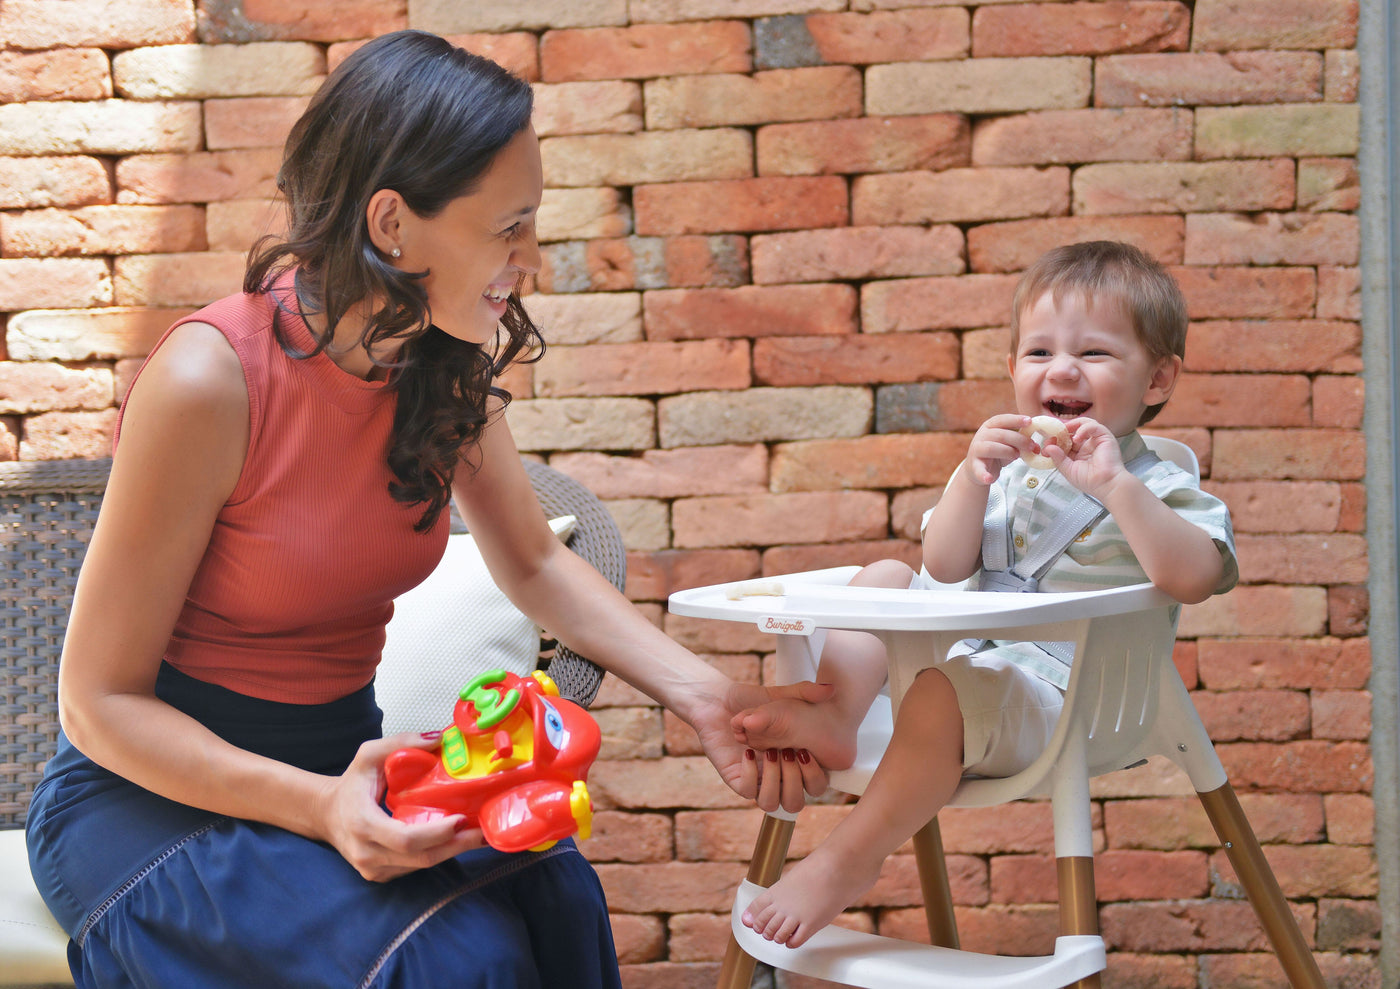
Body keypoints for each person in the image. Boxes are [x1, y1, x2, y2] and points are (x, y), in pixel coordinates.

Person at [24, 30, 826, 988]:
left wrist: (709, 697)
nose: (533, 257)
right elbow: (97, 701)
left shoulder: (439, 363)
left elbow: (532, 561)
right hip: (149, 801)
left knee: (553, 894)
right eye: (510, 226)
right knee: (460, 961)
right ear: (393, 224)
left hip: (345, 767)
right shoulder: (211, 378)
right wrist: (318, 806)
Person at [731, 240, 1240, 948]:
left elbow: (1194, 577)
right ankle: (839, 714)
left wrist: (1115, 487)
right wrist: (971, 478)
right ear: (1012, 371)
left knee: (943, 687)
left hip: (1073, 699)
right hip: (969, 670)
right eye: (1038, 354)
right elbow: (941, 565)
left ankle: (848, 859)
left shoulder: (1159, 487)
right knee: (883, 575)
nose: (1061, 369)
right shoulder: (1006, 475)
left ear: (1156, 379)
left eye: (1093, 354)